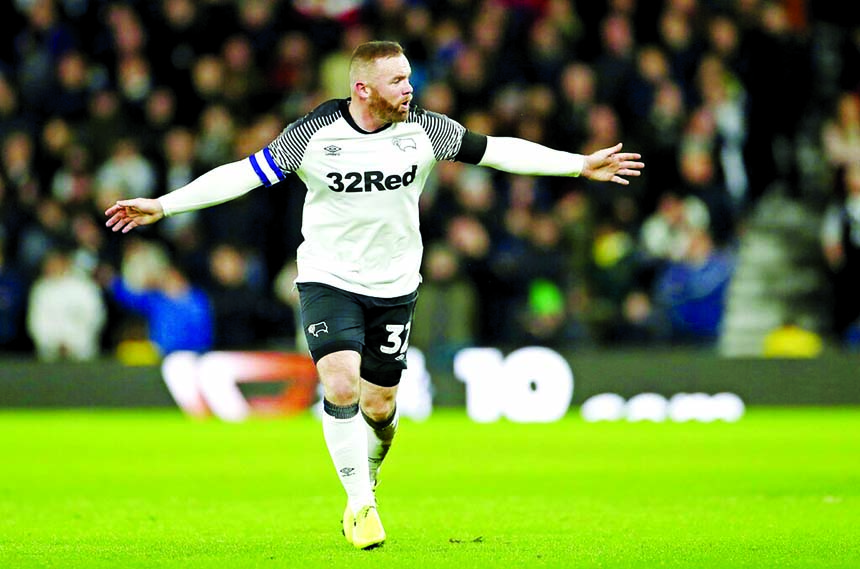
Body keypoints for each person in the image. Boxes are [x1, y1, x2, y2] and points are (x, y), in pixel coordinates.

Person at [104, 41, 644, 550]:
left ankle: (371, 470)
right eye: (398, 80)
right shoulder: (314, 134)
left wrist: (578, 164)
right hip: (328, 278)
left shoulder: (426, 130)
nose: (410, 88)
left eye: (410, 77)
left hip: (395, 286)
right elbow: (243, 175)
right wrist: (166, 205)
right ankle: (360, 504)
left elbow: (496, 150)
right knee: (339, 383)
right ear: (363, 88)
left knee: (380, 407)